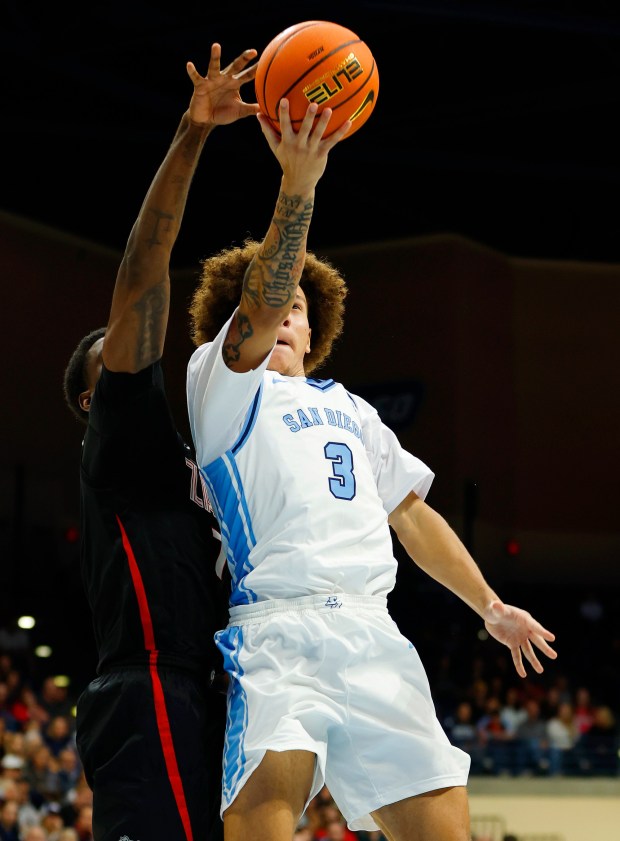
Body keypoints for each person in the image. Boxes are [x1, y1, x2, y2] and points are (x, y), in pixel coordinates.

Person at [185, 99, 558, 841]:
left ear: (315, 326)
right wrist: (300, 185)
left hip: (372, 630)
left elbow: (413, 515)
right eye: (271, 305)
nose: (282, 314)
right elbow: (257, 297)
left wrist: (487, 604)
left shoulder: (354, 409)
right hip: (277, 634)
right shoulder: (219, 385)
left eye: (296, 307)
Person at [62, 43, 259, 841]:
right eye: (111, 353)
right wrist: (192, 134)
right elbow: (145, 269)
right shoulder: (120, 443)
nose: (130, 349)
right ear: (93, 394)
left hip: (211, 692)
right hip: (150, 693)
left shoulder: (202, 460)